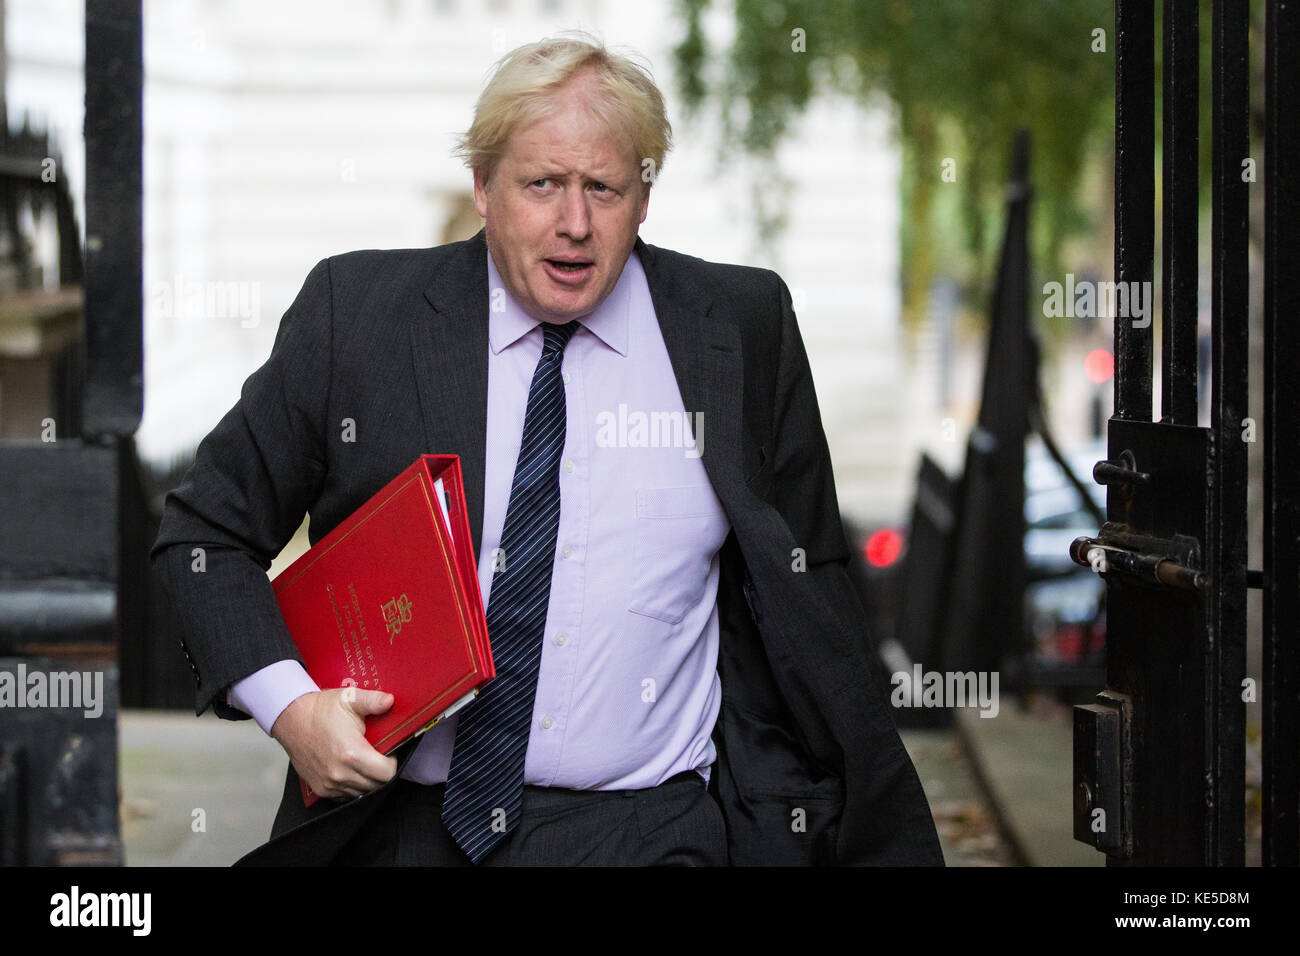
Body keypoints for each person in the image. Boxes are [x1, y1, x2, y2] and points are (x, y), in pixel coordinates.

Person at [151, 32, 943, 866]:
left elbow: (808, 585)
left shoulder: (741, 329)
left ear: (644, 196)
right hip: (398, 829)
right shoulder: (359, 317)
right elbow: (204, 537)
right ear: (484, 186)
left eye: (603, 187)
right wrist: (291, 708)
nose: (575, 224)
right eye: (543, 185)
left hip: (653, 833)